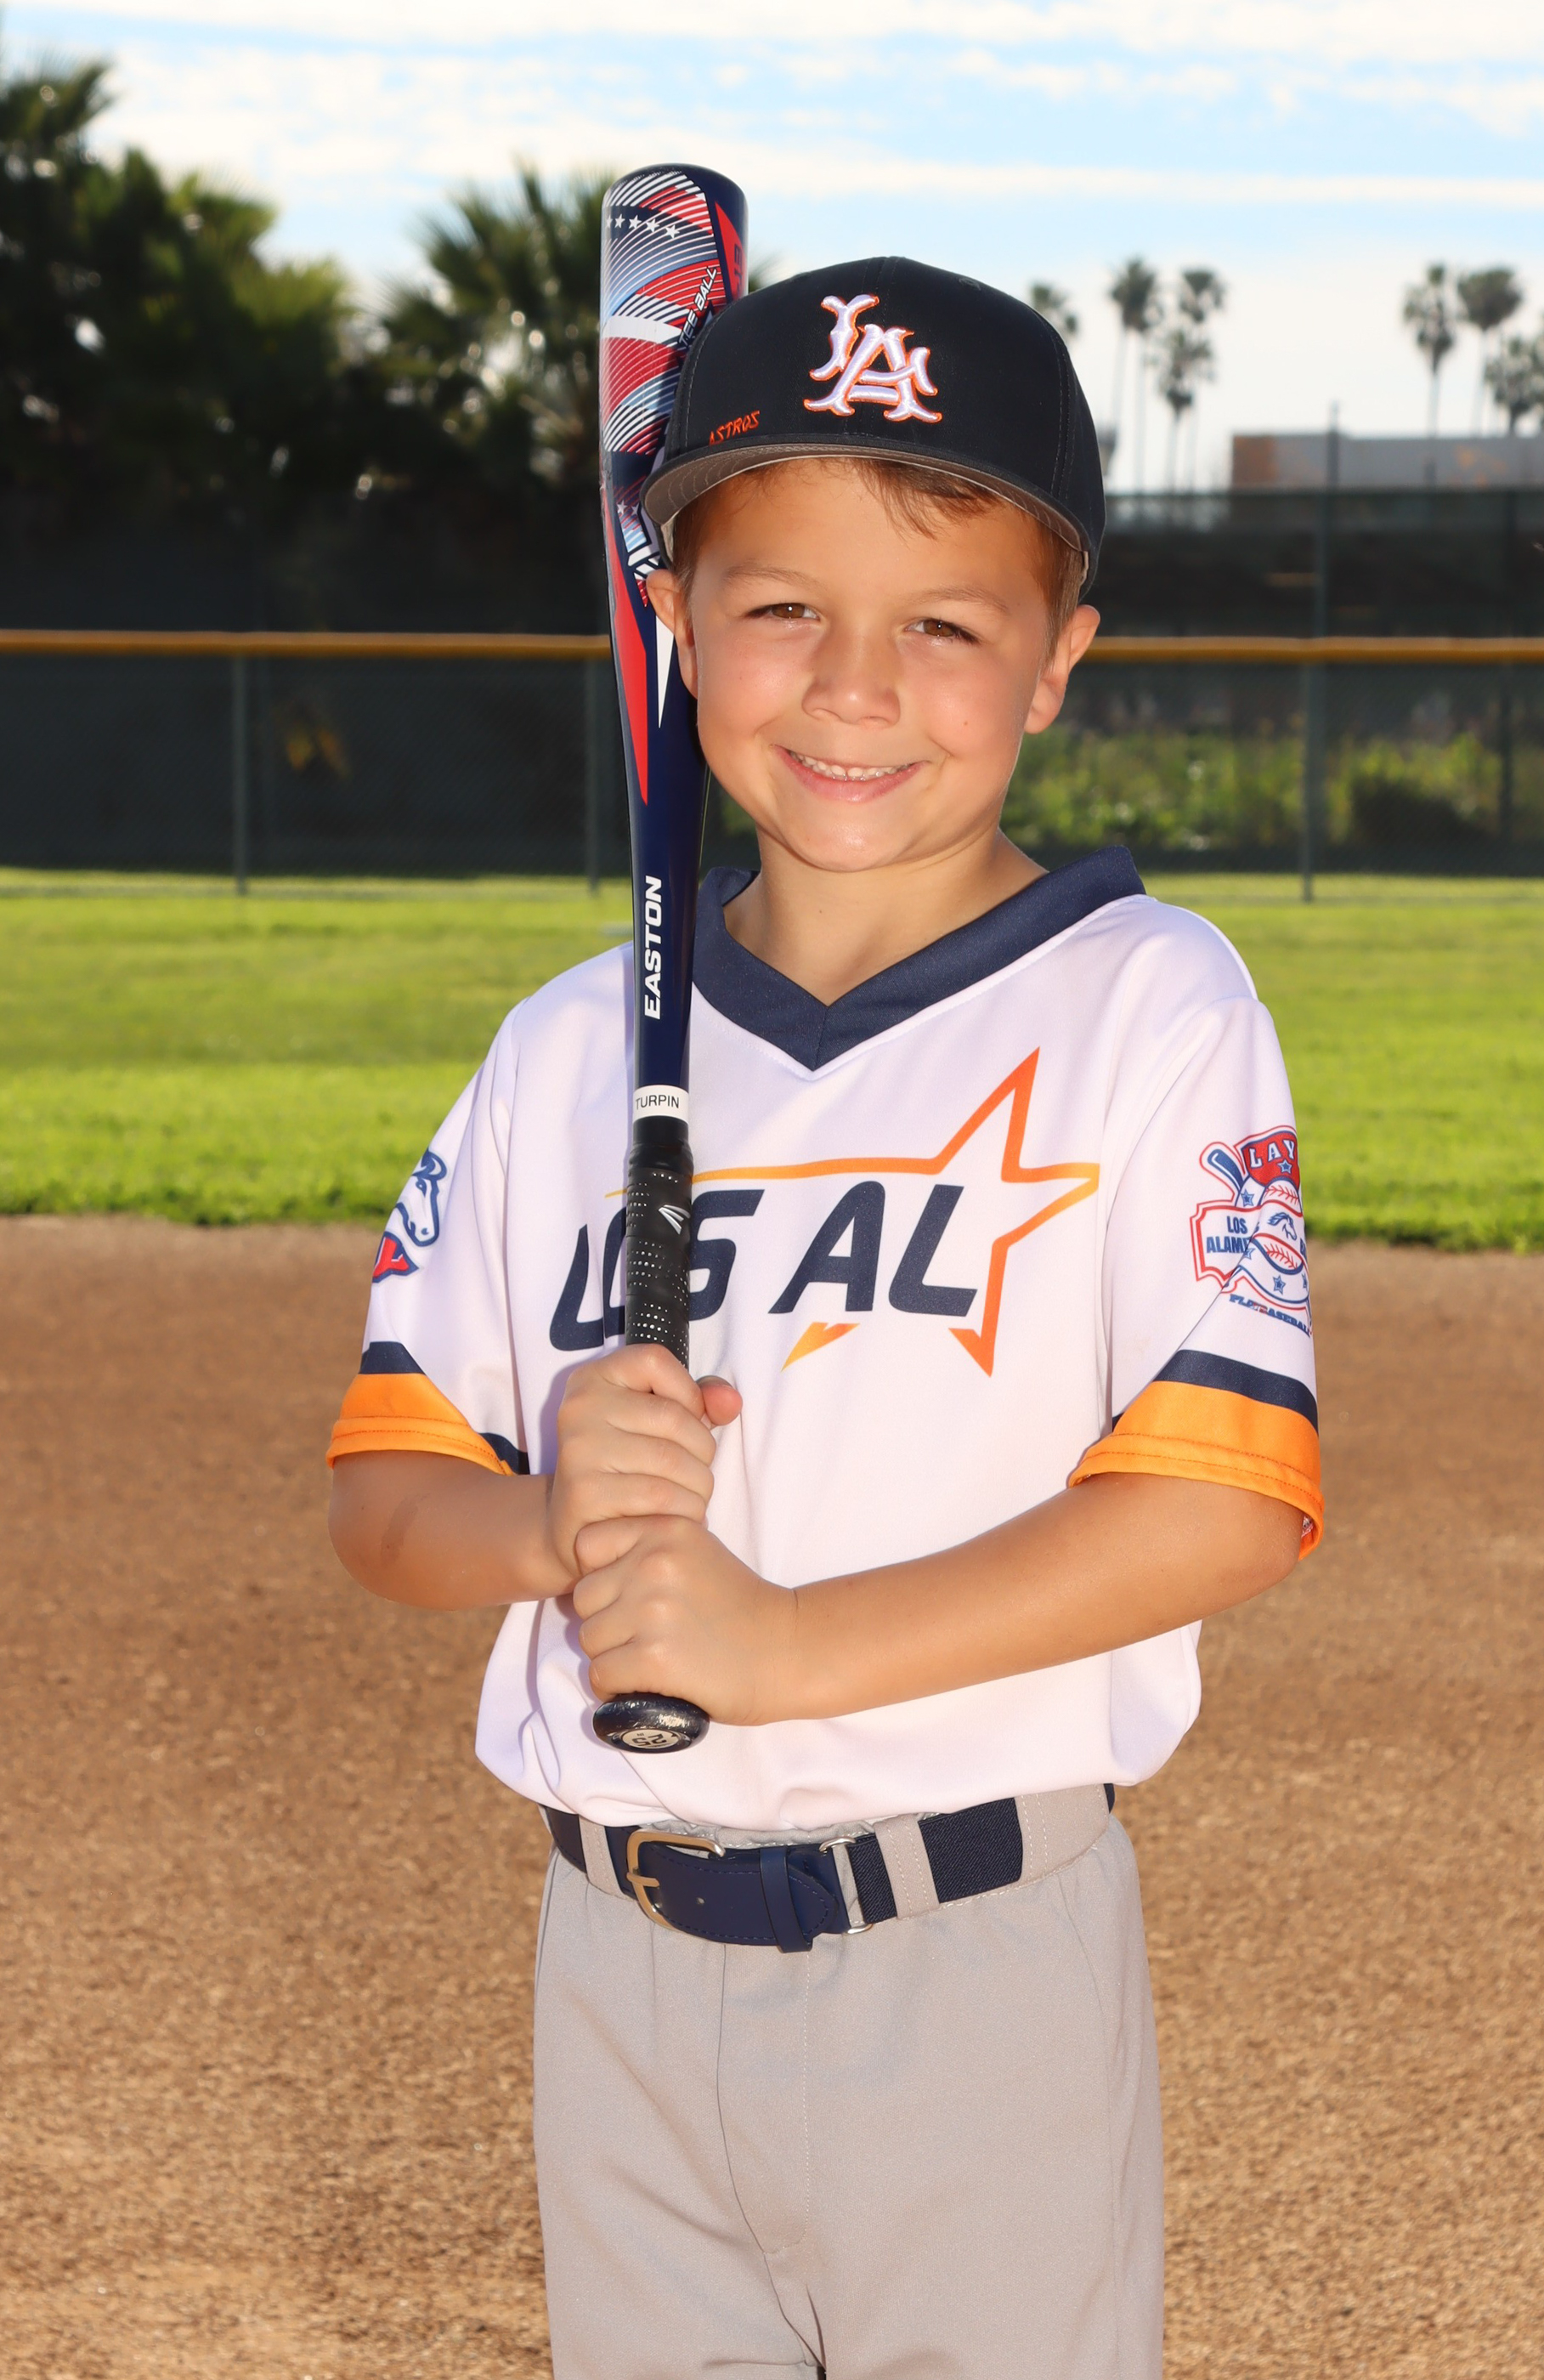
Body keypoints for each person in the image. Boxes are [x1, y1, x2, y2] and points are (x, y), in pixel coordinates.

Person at [327, 257, 1323, 2380]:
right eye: (781, 604)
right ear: (675, 627)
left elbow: (1224, 1497)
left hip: (970, 1962)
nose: (856, 684)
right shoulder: (565, 1051)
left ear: (1056, 663)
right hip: (614, 1958)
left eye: (944, 624)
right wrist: (544, 1520)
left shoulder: (1145, 1001)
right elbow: (389, 1493)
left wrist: (785, 1646)